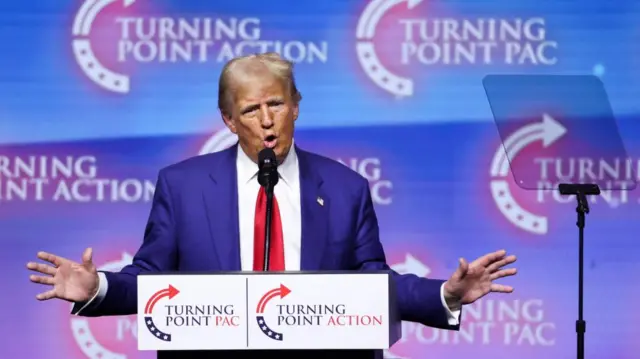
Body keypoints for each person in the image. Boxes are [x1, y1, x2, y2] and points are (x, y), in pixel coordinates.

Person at [27, 52, 517, 359]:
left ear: (296, 105)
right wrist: (98, 288)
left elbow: (373, 282)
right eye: (250, 110)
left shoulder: (345, 187)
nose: (267, 121)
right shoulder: (183, 186)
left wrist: (444, 296)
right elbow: (153, 278)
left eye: (276, 104)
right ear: (228, 120)